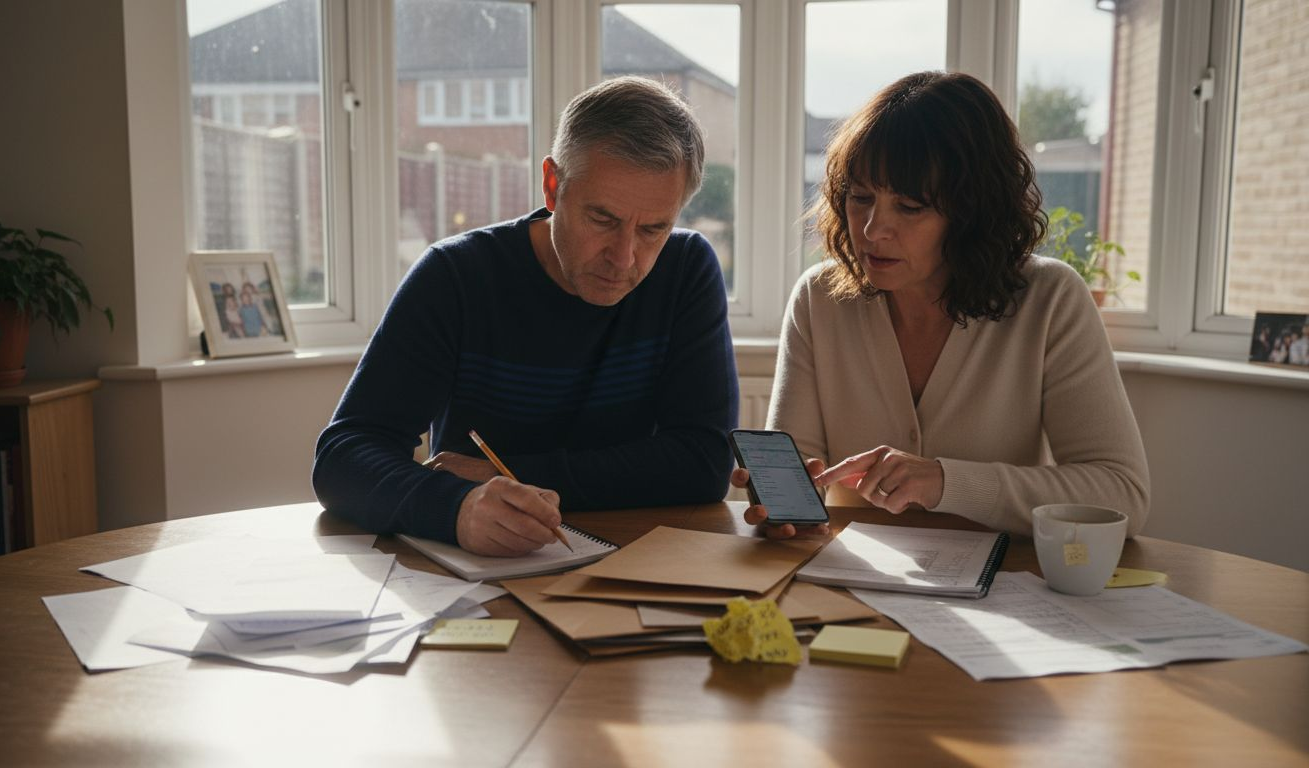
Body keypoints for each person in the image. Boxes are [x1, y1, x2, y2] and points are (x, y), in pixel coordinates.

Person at [313, 76, 738, 556]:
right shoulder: (456, 276)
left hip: (632, 563)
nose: (624, 257)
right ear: (553, 185)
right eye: (603, 220)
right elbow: (343, 457)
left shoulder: (685, 269)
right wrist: (458, 508)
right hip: (478, 570)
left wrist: (509, 474)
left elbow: (704, 463)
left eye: (654, 229)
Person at [734, 71, 1149, 538]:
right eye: (860, 198)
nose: (872, 230)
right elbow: (800, 481)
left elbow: (1123, 495)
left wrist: (945, 482)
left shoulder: (1051, 299)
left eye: (910, 207)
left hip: (1008, 589)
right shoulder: (819, 299)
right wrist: (781, 507)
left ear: (973, 213)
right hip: (854, 581)